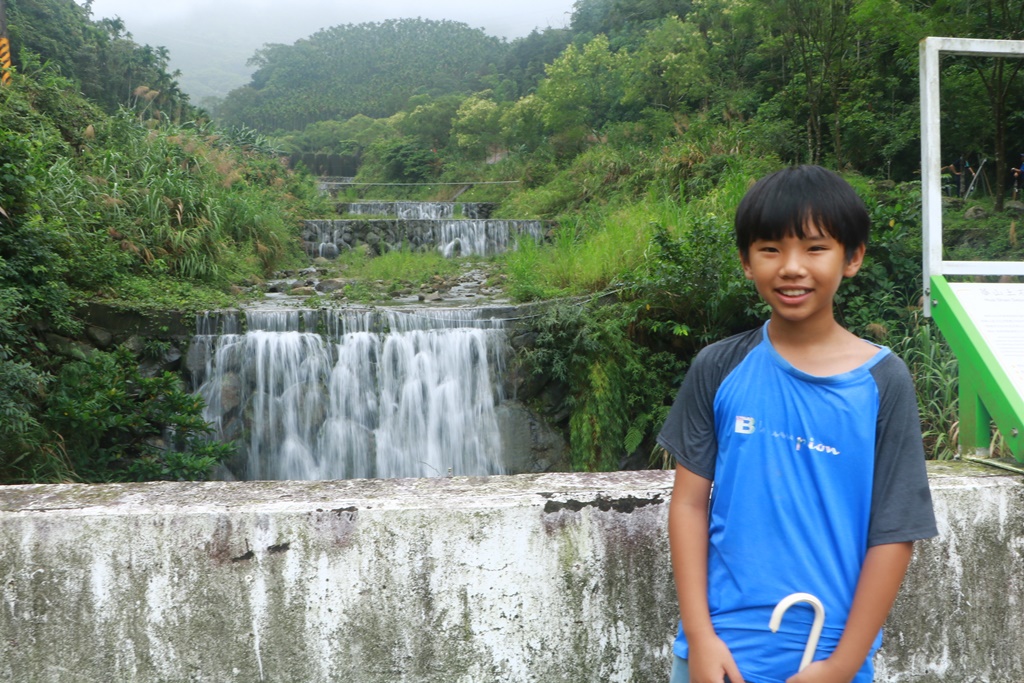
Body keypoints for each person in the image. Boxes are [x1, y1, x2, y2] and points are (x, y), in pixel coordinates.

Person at [658, 165, 938, 683]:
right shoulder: (718, 367)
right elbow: (689, 503)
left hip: (830, 657)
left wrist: (842, 666)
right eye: (770, 248)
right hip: (719, 655)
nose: (791, 267)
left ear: (852, 258)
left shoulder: (884, 381)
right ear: (746, 261)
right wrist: (700, 639)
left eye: (814, 248)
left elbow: (895, 534)